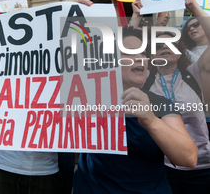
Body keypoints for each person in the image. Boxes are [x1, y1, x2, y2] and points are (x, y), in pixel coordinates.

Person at [73, 23, 197, 193]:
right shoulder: (84, 98)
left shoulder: (159, 103)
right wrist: (77, 16)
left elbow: (189, 158)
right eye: (129, 53)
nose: (140, 58)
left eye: (143, 53)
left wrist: (151, 120)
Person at [136, 0, 210, 194]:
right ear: (151, 55)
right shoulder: (144, 82)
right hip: (163, 166)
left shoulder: (195, 73)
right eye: (159, 45)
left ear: (180, 52)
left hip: (203, 167)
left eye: (171, 44)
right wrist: (132, 15)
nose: (165, 47)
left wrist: (193, 6)